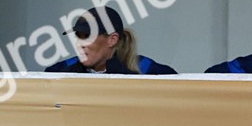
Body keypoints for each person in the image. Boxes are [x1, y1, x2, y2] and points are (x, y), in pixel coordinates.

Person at [45, 5, 177, 74]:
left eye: (88, 36)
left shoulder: (146, 70)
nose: (80, 44)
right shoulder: (60, 71)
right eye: (79, 36)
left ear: (112, 40)